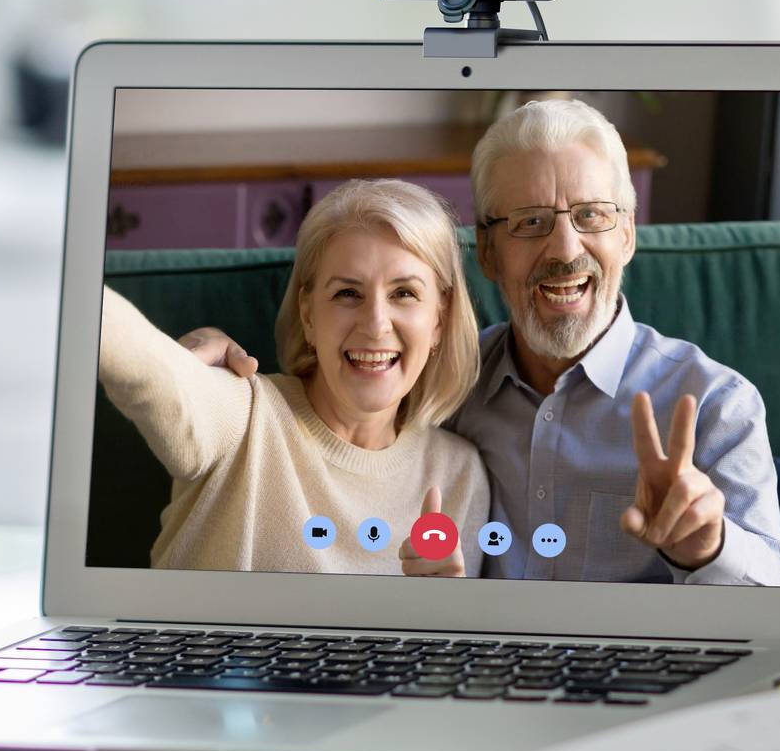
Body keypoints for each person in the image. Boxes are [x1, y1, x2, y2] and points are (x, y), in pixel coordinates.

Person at [176, 99, 780, 584]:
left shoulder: (715, 403)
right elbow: (332, 393)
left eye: (591, 216)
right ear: (491, 253)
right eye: (530, 223)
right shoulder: (439, 381)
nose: (564, 249)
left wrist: (708, 546)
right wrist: (196, 363)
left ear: (628, 235)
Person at [97, 177, 490, 575]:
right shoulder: (243, 415)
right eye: (347, 294)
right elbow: (144, 369)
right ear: (308, 315)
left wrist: (442, 613)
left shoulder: (460, 473)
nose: (375, 325)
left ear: (439, 318)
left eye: (404, 293)